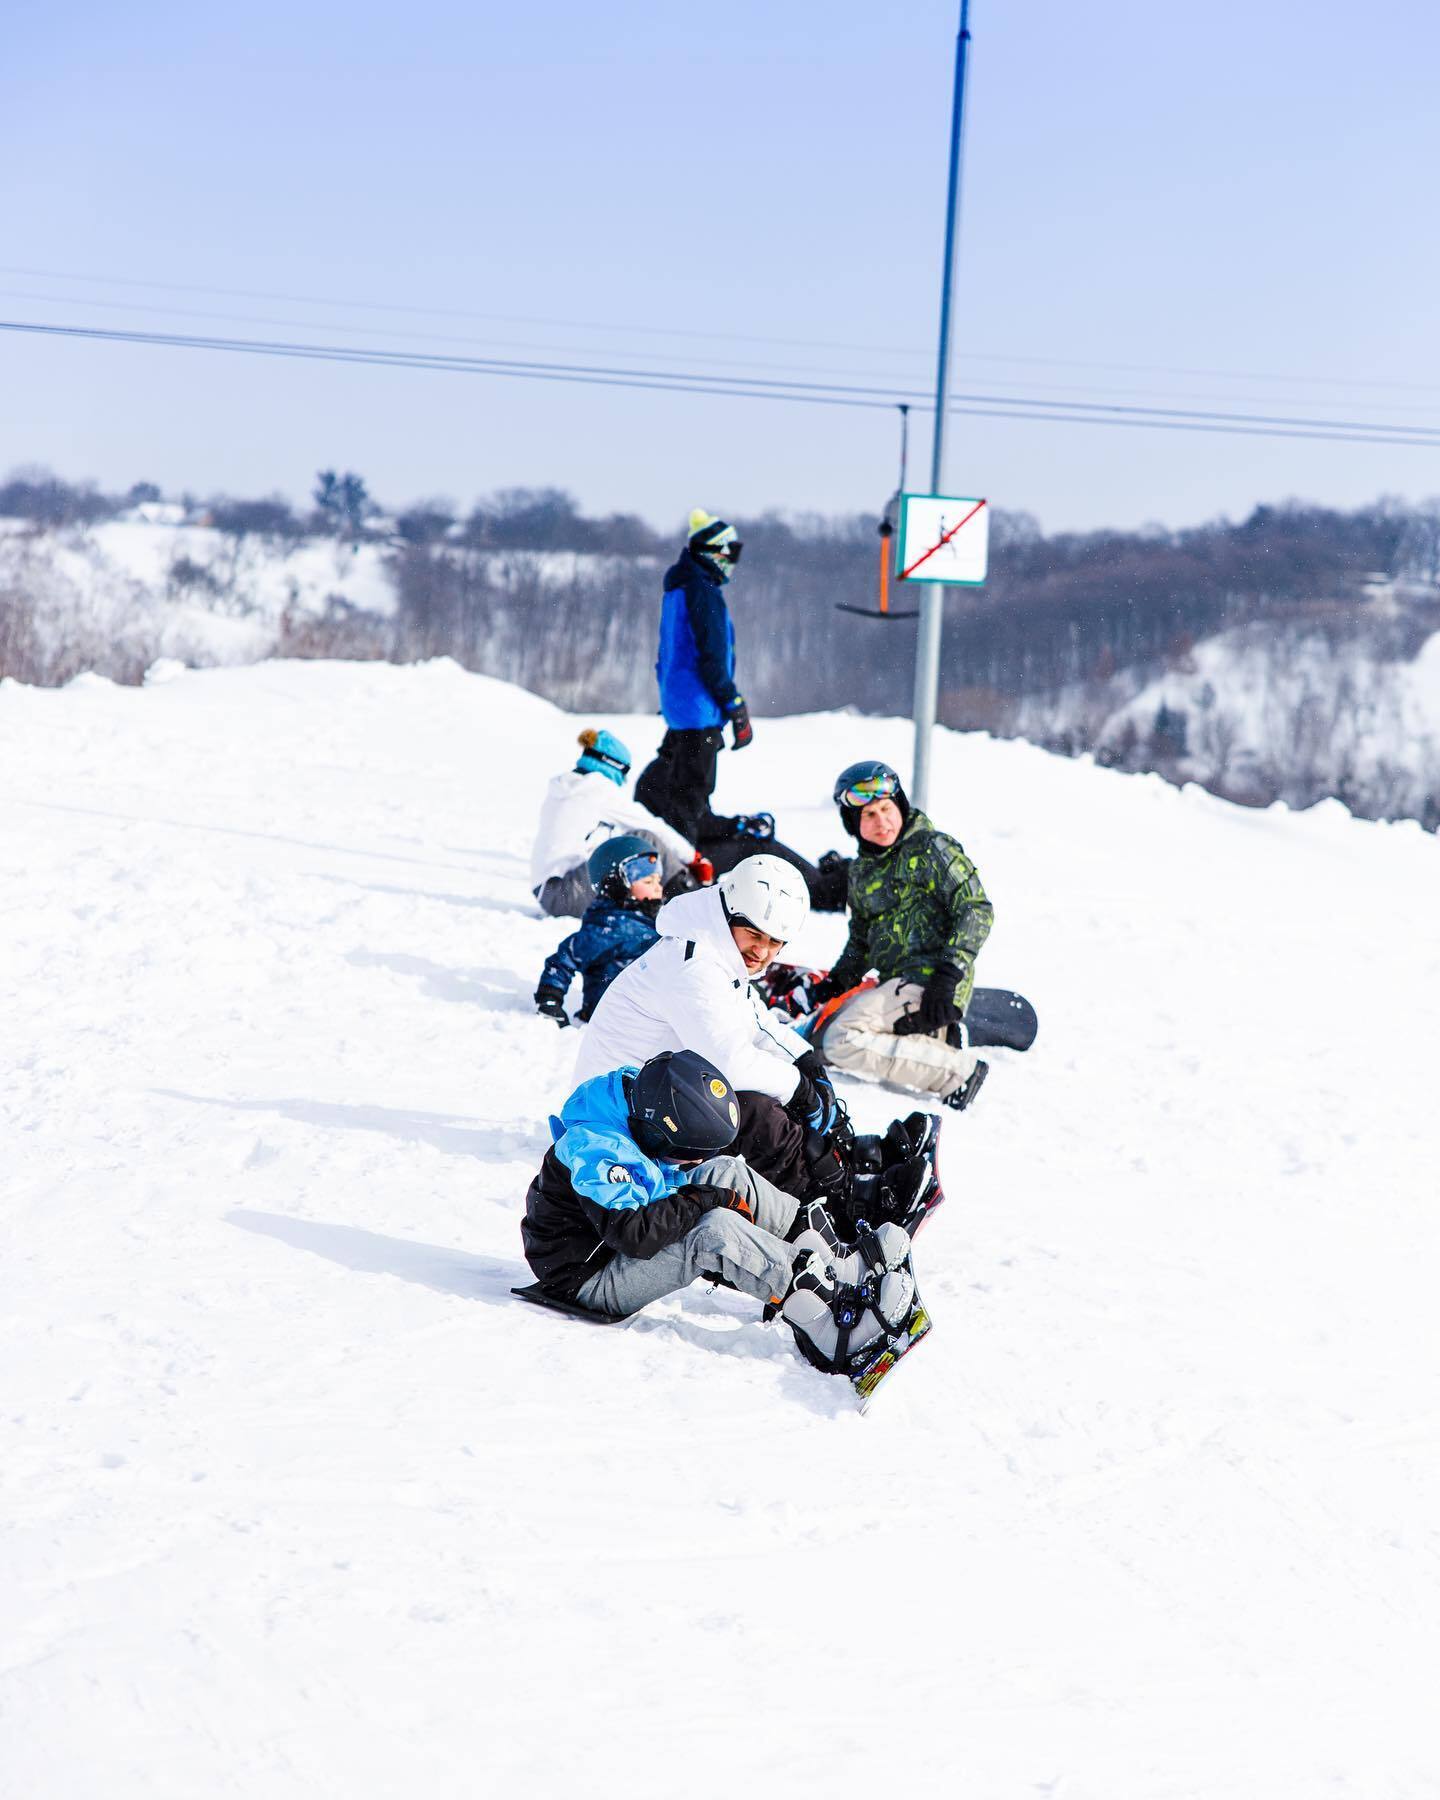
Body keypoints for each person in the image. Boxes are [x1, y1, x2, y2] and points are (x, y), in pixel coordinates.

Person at [572, 852, 937, 1233]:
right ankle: (839, 1203)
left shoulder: (713, 947)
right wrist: (801, 1091)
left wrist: (806, 1062)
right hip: (617, 1129)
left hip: (645, 1098)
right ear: (730, 914)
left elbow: (756, 1020)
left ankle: (850, 1164)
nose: (761, 951)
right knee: (747, 1107)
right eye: (754, 935)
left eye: (775, 942)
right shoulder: (692, 968)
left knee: (775, 1084)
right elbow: (731, 1062)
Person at [520, 1047, 919, 1370]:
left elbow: (662, 1190)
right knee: (712, 1230)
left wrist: (707, 1188)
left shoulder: (633, 1100)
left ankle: (837, 1262)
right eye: (683, 1155)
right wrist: (702, 1199)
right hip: (591, 1276)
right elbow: (635, 1236)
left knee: (727, 1170)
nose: (687, 1163)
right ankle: (829, 1321)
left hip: (619, 1234)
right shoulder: (598, 1154)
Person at [631, 511, 851, 912]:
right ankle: (681, 882)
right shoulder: (702, 590)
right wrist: (733, 704)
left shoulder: (679, 586)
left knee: (662, 787)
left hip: (681, 707)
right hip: (699, 710)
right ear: (711, 551)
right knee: (689, 799)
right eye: (731, 551)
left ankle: (675, 857)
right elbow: (712, 657)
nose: (734, 560)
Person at [805, 760, 993, 1110]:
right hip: (897, 983)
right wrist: (838, 981)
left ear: (901, 807)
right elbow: (861, 938)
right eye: (870, 815)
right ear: (854, 824)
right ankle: (932, 1041)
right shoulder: (861, 871)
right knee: (820, 1040)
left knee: (839, 1040)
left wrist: (948, 975)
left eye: (887, 810)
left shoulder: (931, 848)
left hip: (934, 980)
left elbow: (975, 908)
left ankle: (957, 1072)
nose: (882, 822)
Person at [530, 727, 699, 917]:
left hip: (549, 893)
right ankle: (690, 898)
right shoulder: (598, 789)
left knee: (619, 847)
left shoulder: (566, 786)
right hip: (567, 892)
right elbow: (651, 826)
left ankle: (655, 901)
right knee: (641, 838)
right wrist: (694, 858)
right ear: (613, 764)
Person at [534, 836, 662, 1028]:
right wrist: (550, 998)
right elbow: (567, 956)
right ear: (618, 884)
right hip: (616, 1019)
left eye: (658, 880)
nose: (658, 887)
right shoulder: (610, 927)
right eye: (648, 881)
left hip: (646, 1012)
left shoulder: (650, 918)